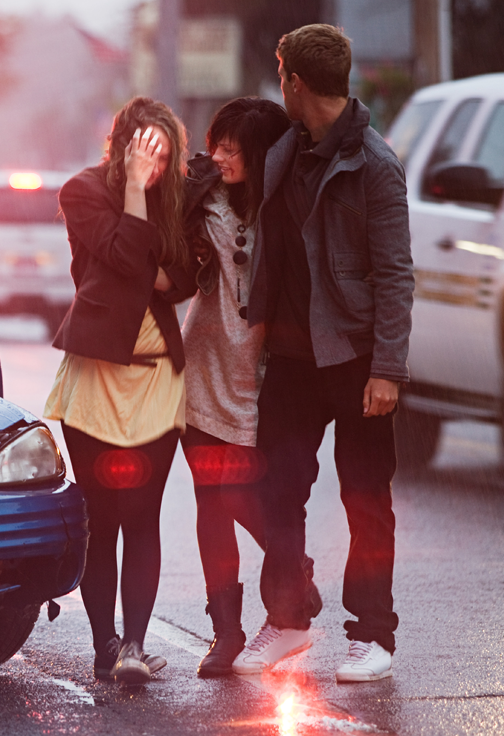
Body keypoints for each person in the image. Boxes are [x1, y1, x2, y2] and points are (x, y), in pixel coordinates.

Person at [230, 24, 413, 682]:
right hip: (292, 357)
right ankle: (285, 624)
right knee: (278, 490)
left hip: (357, 357)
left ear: (296, 81)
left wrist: (388, 369)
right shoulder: (283, 149)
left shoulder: (374, 166)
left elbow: (395, 275)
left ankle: (374, 635)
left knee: (366, 499)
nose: (278, 84)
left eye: (280, 73)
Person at [44, 96, 195, 684]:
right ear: (123, 145)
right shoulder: (81, 192)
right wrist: (135, 194)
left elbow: (184, 276)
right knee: (100, 518)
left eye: (163, 155)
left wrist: (146, 260)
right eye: (144, 151)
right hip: (96, 375)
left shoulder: (176, 202)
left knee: (143, 515)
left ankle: (134, 646)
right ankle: (105, 646)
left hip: (158, 378)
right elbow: (133, 256)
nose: (153, 166)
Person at [178, 97, 322, 678]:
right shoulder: (202, 198)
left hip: (264, 377)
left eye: (236, 146)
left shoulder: (284, 206)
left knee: (250, 496)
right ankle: (226, 631)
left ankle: (293, 569)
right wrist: (193, 179)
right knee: (211, 500)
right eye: (219, 142)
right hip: (204, 371)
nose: (222, 155)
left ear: (263, 154)